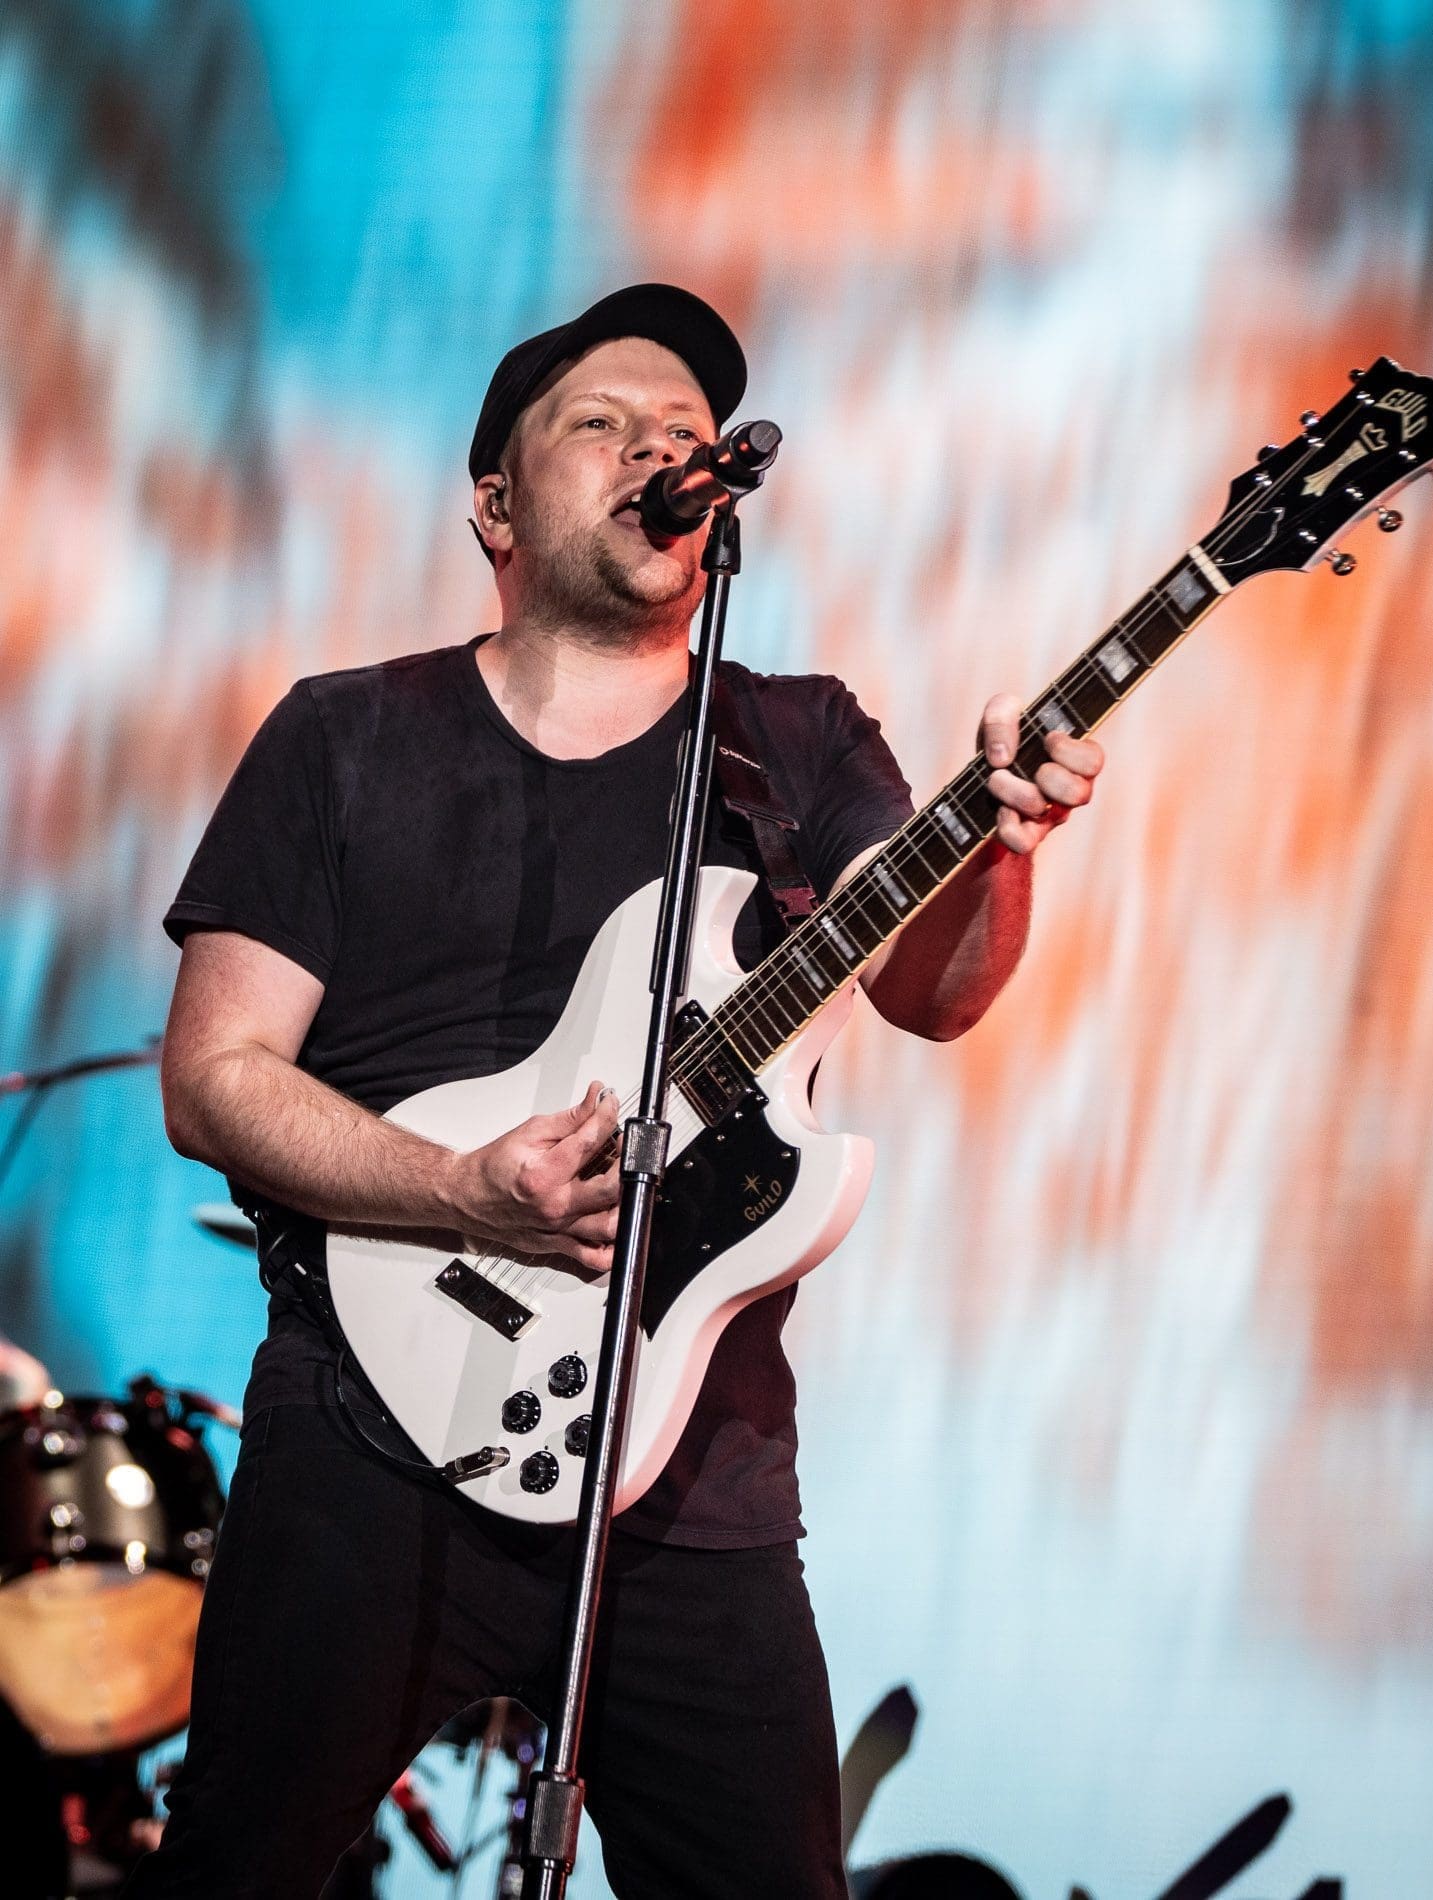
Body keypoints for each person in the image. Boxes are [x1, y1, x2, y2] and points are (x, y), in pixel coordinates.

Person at [128, 284, 1103, 1899]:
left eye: (687, 432)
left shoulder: (797, 739)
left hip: (692, 1477)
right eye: (605, 424)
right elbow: (213, 1079)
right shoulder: (345, 736)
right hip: (368, 1438)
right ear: (495, 508)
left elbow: (932, 993)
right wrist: (460, 1188)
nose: (662, 447)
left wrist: (1004, 848)